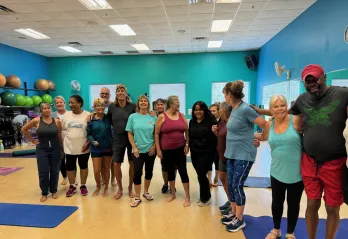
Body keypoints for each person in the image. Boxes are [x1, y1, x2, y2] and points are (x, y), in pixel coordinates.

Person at [252, 64, 348, 239]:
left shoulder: (342, 94)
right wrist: (260, 113)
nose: (312, 83)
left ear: (324, 77)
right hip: (310, 161)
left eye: (315, 79)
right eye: (308, 81)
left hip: (334, 161)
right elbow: (281, 113)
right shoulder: (302, 100)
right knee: (311, 203)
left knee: (332, 207)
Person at [255, 95, 303, 239]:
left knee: (293, 204)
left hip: (297, 173)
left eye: (282, 105)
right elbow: (264, 137)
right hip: (276, 171)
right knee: (277, 202)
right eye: (275, 106)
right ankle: (276, 230)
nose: (279, 109)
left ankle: (290, 232)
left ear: (287, 106)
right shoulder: (269, 124)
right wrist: (255, 139)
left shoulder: (295, 120)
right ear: (271, 109)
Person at [221, 80, 267, 232]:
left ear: (229, 94)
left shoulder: (245, 109)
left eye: (224, 94)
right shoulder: (234, 109)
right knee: (232, 184)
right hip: (232, 153)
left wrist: (261, 137)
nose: (224, 97)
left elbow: (265, 124)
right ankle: (234, 214)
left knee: (237, 185)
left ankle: (240, 219)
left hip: (244, 154)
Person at [215, 102, 262, 214]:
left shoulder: (236, 121)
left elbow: (248, 132)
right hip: (225, 154)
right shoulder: (221, 121)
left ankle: (237, 213)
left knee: (236, 184)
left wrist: (256, 139)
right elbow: (221, 135)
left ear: (225, 110)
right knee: (227, 181)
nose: (218, 110)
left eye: (219, 108)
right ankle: (231, 203)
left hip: (237, 155)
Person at [21, 103, 62, 202]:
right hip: (42, 150)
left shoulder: (56, 121)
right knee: (43, 172)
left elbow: (59, 136)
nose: (47, 110)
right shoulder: (36, 120)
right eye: (44, 108)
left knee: (55, 171)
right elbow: (24, 129)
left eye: (48, 108)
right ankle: (44, 192)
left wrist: (62, 149)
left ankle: (54, 191)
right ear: (41, 110)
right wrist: (32, 140)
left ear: (51, 109)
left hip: (55, 149)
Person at [155, 95, 191, 207]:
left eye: (179, 102)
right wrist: (158, 150)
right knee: (170, 171)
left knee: (183, 171)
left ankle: (187, 196)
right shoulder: (162, 117)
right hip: (167, 150)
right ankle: (172, 193)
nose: (179, 105)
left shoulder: (182, 116)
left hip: (180, 148)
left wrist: (187, 144)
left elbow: (187, 131)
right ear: (171, 104)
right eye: (177, 103)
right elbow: (156, 134)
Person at [126, 95, 157, 207]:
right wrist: (134, 147)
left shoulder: (153, 117)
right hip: (137, 150)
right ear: (138, 104)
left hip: (151, 149)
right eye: (141, 101)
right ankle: (137, 196)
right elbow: (129, 133)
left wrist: (154, 146)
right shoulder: (133, 117)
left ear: (148, 104)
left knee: (149, 171)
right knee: (137, 172)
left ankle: (146, 192)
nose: (143, 102)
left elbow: (156, 134)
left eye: (145, 101)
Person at [108, 84, 136, 199]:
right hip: (118, 138)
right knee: (116, 163)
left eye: (122, 90)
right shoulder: (112, 107)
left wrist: (153, 114)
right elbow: (108, 120)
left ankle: (130, 187)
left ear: (126, 93)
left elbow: (139, 117)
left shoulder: (132, 106)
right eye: (118, 91)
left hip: (131, 138)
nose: (120, 92)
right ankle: (120, 189)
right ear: (116, 94)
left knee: (132, 163)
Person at [189, 101, 217, 206]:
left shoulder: (211, 121)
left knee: (201, 173)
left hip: (207, 152)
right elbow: (190, 136)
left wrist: (213, 132)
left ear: (204, 110)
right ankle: (205, 195)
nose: (198, 112)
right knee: (200, 175)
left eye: (200, 109)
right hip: (195, 152)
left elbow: (216, 137)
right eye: (196, 110)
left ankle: (205, 198)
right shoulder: (192, 122)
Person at [62, 95, 91, 197]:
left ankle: (83, 186)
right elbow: (63, 129)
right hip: (69, 146)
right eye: (69, 103)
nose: (70, 105)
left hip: (84, 146)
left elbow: (91, 131)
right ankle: (72, 186)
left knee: (83, 166)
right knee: (70, 167)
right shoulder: (66, 115)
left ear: (80, 103)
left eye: (73, 102)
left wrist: (88, 143)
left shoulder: (87, 115)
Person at [87, 98, 113, 197]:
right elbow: (89, 133)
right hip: (95, 149)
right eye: (98, 106)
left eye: (102, 105)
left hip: (108, 148)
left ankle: (106, 187)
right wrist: (92, 141)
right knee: (97, 170)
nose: (100, 107)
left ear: (104, 107)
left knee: (107, 169)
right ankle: (98, 186)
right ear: (94, 107)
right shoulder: (91, 119)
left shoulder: (108, 118)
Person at [154, 98, 170, 193]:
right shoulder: (152, 115)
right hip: (158, 144)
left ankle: (172, 183)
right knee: (164, 165)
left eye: (161, 104)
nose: (160, 106)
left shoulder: (168, 115)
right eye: (158, 104)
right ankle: (165, 183)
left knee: (171, 166)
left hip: (168, 143)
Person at [53, 96, 68, 185]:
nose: (59, 104)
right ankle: (65, 177)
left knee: (71, 159)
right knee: (61, 159)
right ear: (55, 105)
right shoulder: (52, 115)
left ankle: (73, 177)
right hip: (57, 139)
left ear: (64, 103)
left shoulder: (70, 113)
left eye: (61, 102)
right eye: (57, 103)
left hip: (69, 138)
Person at [209, 103, 220, 187]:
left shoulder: (223, 121)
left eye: (214, 111)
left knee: (217, 162)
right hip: (209, 145)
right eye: (210, 111)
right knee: (209, 163)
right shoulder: (207, 121)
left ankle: (216, 178)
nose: (212, 112)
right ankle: (209, 180)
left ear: (218, 111)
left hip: (219, 145)